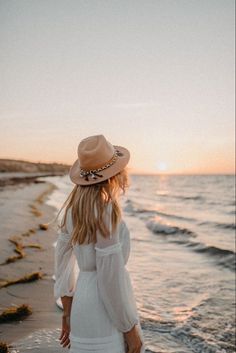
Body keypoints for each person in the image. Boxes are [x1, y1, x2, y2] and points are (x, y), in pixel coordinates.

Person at [54, 134, 146, 353]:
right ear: (114, 174)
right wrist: (129, 328)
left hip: (81, 307)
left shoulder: (71, 212)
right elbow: (109, 278)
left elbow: (62, 266)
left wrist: (67, 312)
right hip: (105, 310)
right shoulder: (107, 213)